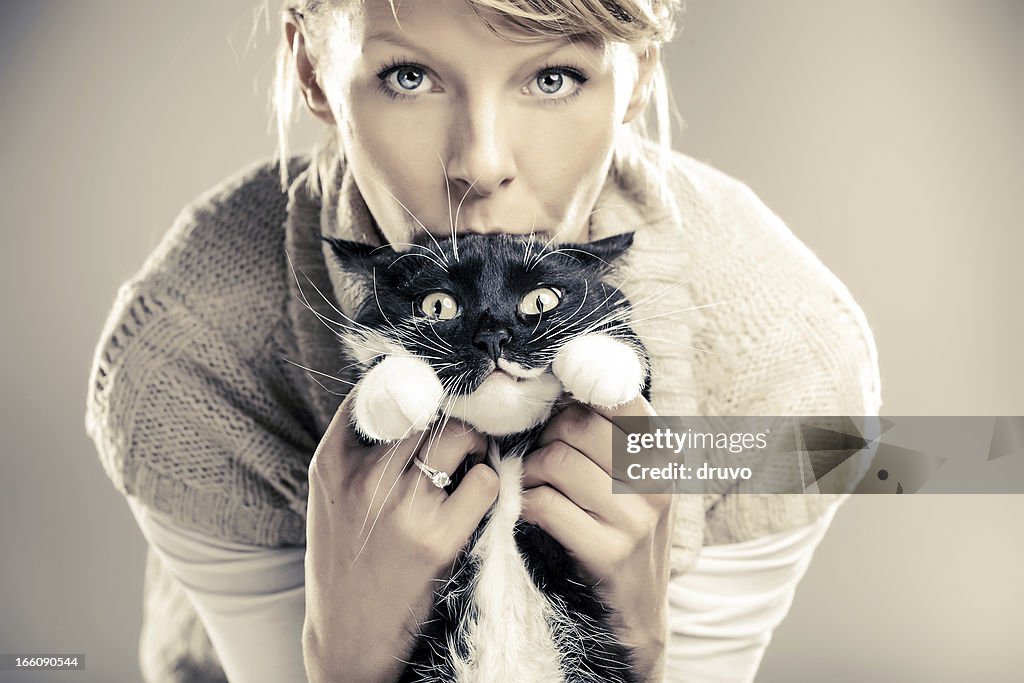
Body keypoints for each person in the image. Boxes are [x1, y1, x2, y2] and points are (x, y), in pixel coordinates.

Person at [84, 1, 881, 681]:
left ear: (636, 73)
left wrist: (641, 653)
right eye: (409, 76)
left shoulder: (790, 374)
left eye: (552, 77)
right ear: (312, 71)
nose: (482, 165)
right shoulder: (190, 361)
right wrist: (340, 664)